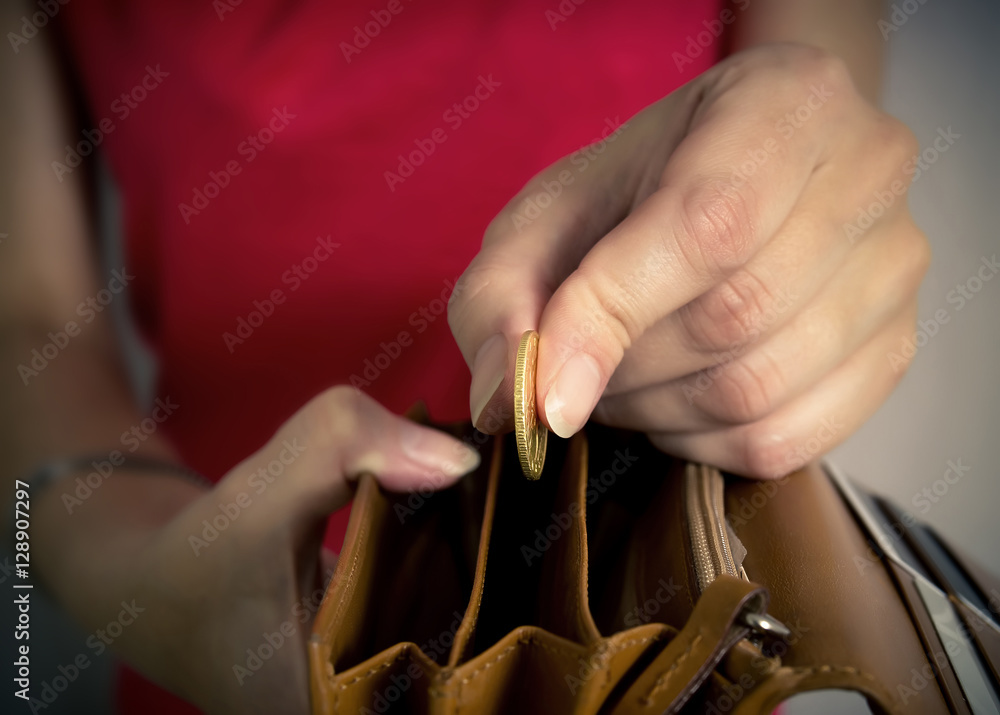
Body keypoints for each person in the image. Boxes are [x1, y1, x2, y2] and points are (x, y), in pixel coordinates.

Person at [1, 0, 928, 712]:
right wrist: (133, 572)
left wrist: (796, 259)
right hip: (211, 609)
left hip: (657, 641)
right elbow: (24, 322)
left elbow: (808, 109)